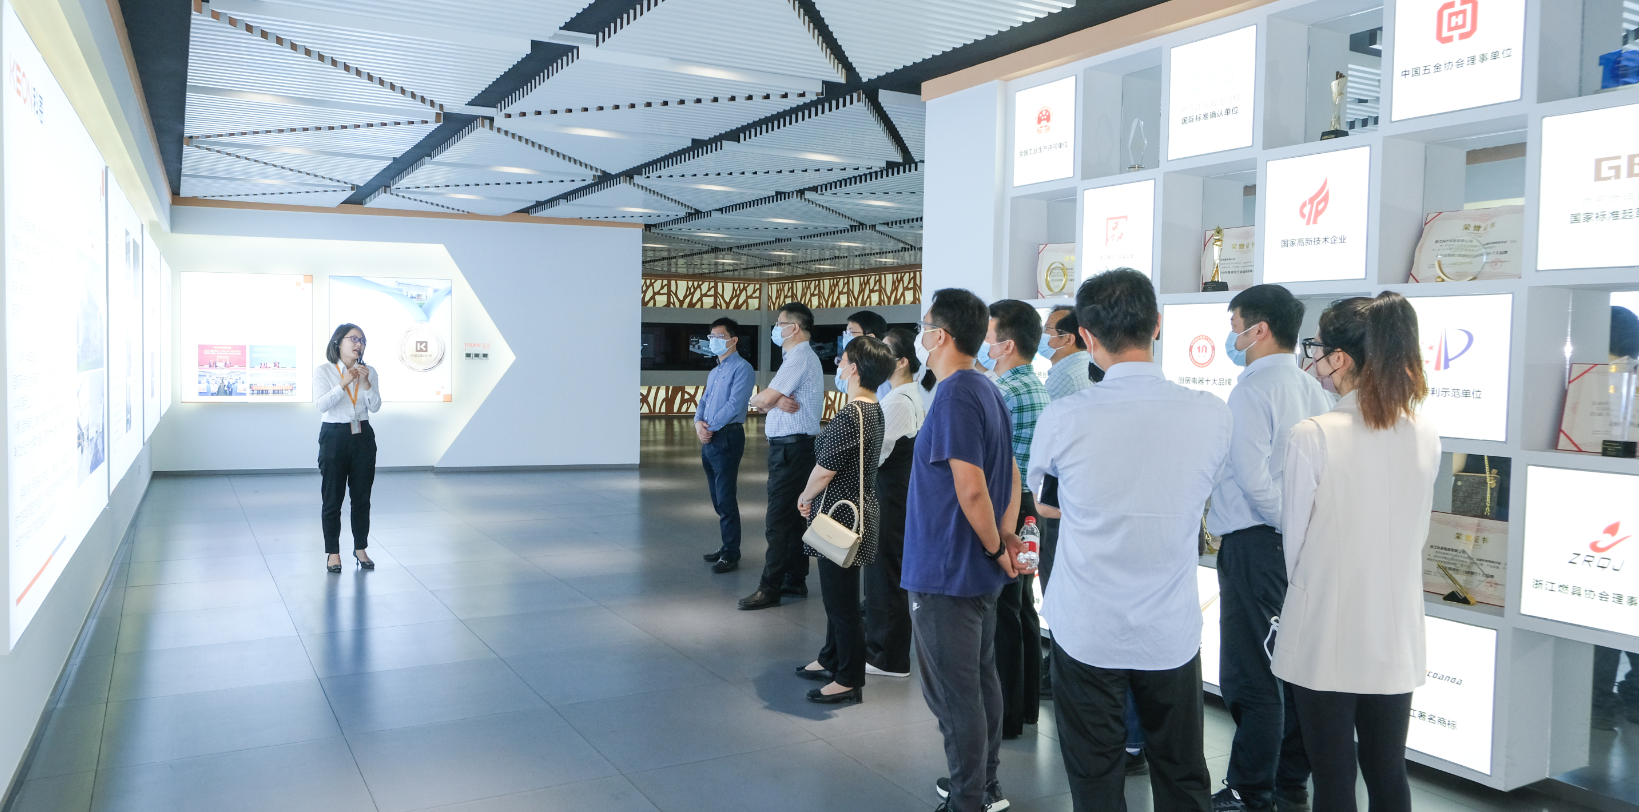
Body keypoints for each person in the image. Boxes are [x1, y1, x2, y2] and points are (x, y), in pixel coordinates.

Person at [1029, 269, 1230, 812]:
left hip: (1086, 624)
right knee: (1182, 771)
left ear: (1086, 336)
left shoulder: (1064, 417)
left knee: (1094, 774)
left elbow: (1045, 502)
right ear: (1157, 325)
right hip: (1169, 628)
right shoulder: (1211, 413)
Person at [1276, 293, 1441, 812]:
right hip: (1394, 627)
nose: (1314, 359)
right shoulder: (1424, 433)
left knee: (1332, 777)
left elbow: (1294, 546)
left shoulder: (1313, 435)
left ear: (1341, 358)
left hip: (1326, 625)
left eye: (1318, 348)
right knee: (1388, 770)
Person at [1204, 285, 1332, 812]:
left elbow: (1254, 479)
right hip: (1294, 545)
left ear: (1258, 330)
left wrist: (1288, 523)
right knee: (1291, 667)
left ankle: (1249, 788)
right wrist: (1300, 528)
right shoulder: (1312, 388)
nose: (1232, 336)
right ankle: (1287, 782)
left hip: (1257, 545)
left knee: (1251, 672)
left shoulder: (1254, 391)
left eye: (1235, 326)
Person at [903, 288, 1022, 812]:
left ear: (942, 336)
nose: (921, 334)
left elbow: (971, 488)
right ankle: (983, 783)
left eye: (925, 325)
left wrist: (997, 546)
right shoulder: (986, 388)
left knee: (954, 695)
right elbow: (1011, 473)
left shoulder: (954, 395)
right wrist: (1005, 536)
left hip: (947, 568)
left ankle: (967, 798)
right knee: (979, 680)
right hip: (974, 569)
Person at [796, 337, 893, 703]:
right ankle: (831, 657)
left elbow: (825, 470)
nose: (837, 364)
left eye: (843, 359)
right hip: (858, 511)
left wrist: (805, 497)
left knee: (841, 602)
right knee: (840, 594)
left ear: (854, 368)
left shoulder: (851, 415)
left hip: (839, 517)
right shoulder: (874, 409)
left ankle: (849, 677)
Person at [982, 299, 1046, 739]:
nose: (982, 344)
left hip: (1007, 502)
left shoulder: (1003, 391)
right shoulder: (1034, 385)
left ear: (1006, 345)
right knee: (1021, 607)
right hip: (1027, 504)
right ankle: (1024, 706)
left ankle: (1004, 714)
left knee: (1004, 609)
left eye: (988, 337)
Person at [740, 303, 824, 610]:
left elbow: (760, 398)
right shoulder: (798, 358)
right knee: (794, 517)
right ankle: (794, 578)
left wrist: (767, 400)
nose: (776, 329)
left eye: (779, 323)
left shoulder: (799, 357)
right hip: (797, 448)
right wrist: (773, 402)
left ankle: (770, 587)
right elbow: (766, 401)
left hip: (791, 449)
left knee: (777, 520)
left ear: (794, 328)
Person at [865, 327, 926, 679]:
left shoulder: (898, 401)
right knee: (886, 572)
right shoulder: (903, 395)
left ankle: (887, 656)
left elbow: (874, 455)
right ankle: (883, 651)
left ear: (901, 362)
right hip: (896, 496)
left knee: (885, 575)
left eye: (884, 350)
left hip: (890, 498)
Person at [315, 324, 381, 573]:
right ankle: (333, 552)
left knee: (362, 497)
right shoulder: (324, 371)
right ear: (338, 342)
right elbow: (321, 405)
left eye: (362, 340)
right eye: (353, 339)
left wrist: (365, 383)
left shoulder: (369, 371)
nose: (358, 344)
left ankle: (360, 547)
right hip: (334, 435)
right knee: (332, 498)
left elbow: (375, 406)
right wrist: (343, 383)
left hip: (363, 435)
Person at [697, 318, 756, 573]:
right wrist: (698, 423)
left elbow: (735, 404)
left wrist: (709, 427)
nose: (713, 341)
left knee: (725, 496)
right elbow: (704, 401)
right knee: (716, 497)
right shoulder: (715, 371)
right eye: (711, 337)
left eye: (719, 337)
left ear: (733, 340)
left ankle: (731, 552)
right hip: (710, 439)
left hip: (727, 437)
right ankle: (726, 545)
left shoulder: (742, 369)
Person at [1040, 305, 1093, 401]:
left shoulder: (1064, 377)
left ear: (1068, 339)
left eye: (1047, 329)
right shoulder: (1090, 367)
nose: (1042, 334)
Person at [842, 310, 894, 400]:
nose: (846, 337)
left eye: (851, 332)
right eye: (846, 333)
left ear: (870, 337)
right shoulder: (862, 366)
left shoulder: (880, 369)